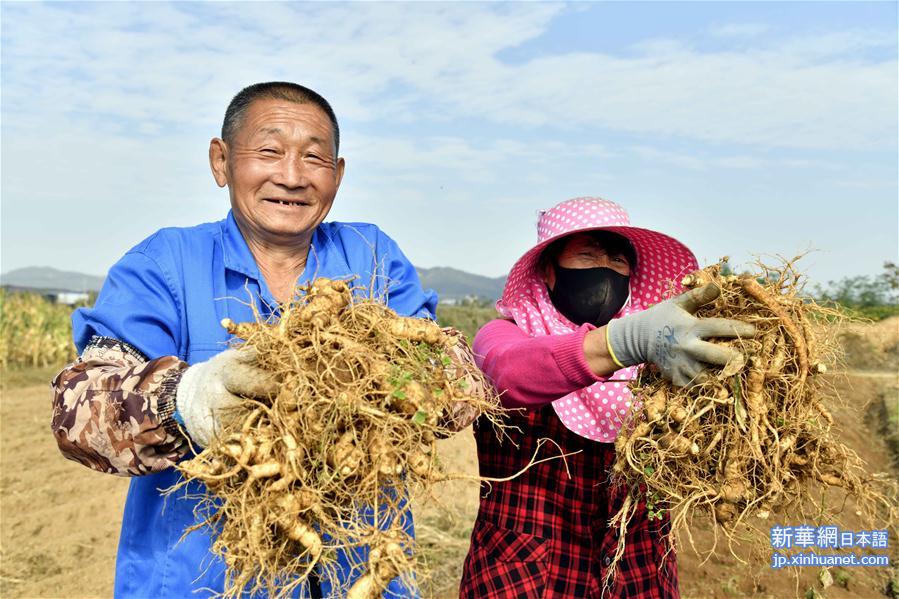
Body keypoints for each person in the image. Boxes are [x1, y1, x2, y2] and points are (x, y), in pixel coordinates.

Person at [50, 82, 444, 597]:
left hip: (363, 575)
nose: (292, 176)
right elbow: (76, 413)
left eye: (313, 158)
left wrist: (410, 383)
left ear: (338, 175)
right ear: (221, 162)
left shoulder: (372, 257)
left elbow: (443, 374)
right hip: (202, 580)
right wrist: (188, 399)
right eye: (269, 151)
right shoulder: (162, 265)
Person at [459, 197, 756, 598]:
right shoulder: (505, 334)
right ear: (548, 270)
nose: (606, 269)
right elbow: (508, 373)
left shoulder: (664, 349)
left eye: (618, 261)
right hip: (526, 573)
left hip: (637, 570)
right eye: (587, 255)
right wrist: (623, 341)